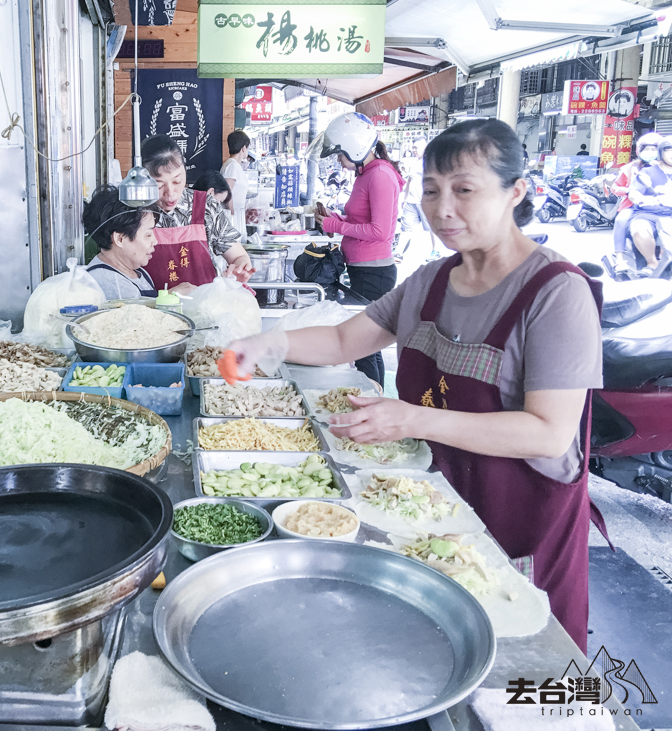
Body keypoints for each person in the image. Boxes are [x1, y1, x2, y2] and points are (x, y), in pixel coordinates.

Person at [227, 119, 610, 653]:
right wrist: (269, 343)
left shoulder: (555, 293)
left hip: (518, 526)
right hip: (428, 508)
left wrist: (410, 419)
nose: (442, 208)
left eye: (465, 190)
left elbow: (548, 432)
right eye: (431, 190)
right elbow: (342, 340)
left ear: (516, 192)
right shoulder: (430, 280)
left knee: (515, 672)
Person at [313, 112, 405, 388]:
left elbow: (380, 231)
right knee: (366, 348)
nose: (339, 161)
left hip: (373, 273)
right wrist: (336, 219)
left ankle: (370, 404)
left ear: (355, 147)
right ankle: (370, 400)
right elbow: (361, 221)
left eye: (340, 154)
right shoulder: (367, 174)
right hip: (362, 268)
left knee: (363, 347)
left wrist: (336, 226)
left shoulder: (380, 176)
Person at [139, 135, 255, 291]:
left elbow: (238, 256)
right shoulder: (135, 211)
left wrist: (239, 269)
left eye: (177, 181)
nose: (170, 193)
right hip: (150, 311)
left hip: (203, 309)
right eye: (159, 186)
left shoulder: (205, 206)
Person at [81, 185, 160, 299]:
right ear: (120, 239)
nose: (155, 241)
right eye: (148, 234)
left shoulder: (136, 271)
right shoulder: (113, 284)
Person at [611, 132, 661, 275]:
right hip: (633, 206)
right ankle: (619, 258)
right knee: (621, 220)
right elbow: (615, 187)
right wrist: (628, 191)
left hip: (660, 206)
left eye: (654, 150)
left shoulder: (665, 168)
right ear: (639, 151)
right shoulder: (630, 168)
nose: (650, 153)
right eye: (647, 149)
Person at [627, 135, 672, 274]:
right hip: (649, 214)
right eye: (669, 150)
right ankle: (652, 263)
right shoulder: (648, 172)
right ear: (660, 153)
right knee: (639, 229)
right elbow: (634, 192)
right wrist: (641, 198)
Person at [400, 138, 440, 261]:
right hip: (411, 201)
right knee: (406, 228)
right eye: (413, 148)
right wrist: (405, 199)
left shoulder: (431, 164)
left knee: (431, 228)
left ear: (425, 147)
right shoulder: (413, 162)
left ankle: (435, 250)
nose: (414, 150)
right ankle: (399, 252)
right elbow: (409, 181)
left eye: (416, 147)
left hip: (424, 201)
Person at [221, 130, 250, 238]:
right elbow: (227, 192)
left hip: (237, 214)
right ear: (243, 148)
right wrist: (232, 213)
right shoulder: (232, 166)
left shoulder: (234, 165)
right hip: (232, 216)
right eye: (247, 148)